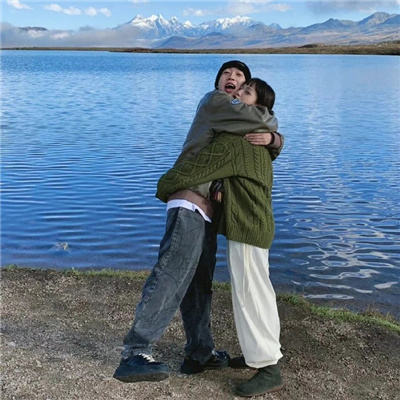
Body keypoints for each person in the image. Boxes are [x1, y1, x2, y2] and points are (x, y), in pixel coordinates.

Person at [113, 60, 282, 384]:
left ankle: (199, 352)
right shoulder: (216, 102)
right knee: (172, 273)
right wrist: (272, 128)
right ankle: (135, 351)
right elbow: (255, 125)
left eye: (241, 77)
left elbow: (257, 150)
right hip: (190, 199)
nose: (232, 78)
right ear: (220, 84)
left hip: (207, 210)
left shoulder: (232, 121)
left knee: (198, 282)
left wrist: (273, 140)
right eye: (227, 74)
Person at [156, 78, 284, 397]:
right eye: (238, 90)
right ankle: (260, 354)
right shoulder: (259, 142)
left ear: (257, 107)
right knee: (258, 290)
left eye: (246, 92)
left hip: (248, 226)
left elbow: (198, 168)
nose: (237, 94)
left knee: (251, 294)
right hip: (256, 225)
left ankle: (268, 367)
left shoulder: (237, 143)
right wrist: (274, 138)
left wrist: (164, 185)